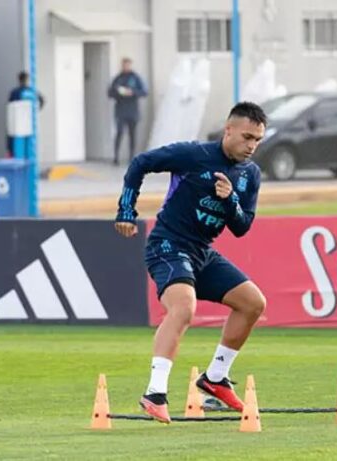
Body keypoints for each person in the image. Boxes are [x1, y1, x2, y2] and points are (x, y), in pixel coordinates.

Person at [114, 102, 268, 423]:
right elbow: (141, 163)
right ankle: (155, 393)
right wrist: (126, 210)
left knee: (253, 303)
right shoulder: (193, 154)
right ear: (228, 130)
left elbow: (241, 228)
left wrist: (231, 200)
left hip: (202, 252)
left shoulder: (250, 175)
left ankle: (215, 378)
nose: (252, 146)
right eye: (247, 137)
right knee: (184, 307)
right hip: (167, 244)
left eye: (258, 139)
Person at [108, 58, 148, 165]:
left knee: (132, 134)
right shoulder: (117, 78)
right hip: (121, 110)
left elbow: (144, 92)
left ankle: (132, 157)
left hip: (133, 110)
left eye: (128, 65)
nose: (126, 67)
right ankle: (116, 157)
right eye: (124, 65)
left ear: (130, 65)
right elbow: (110, 93)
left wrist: (133, 92)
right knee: (119, 132)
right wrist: (119, 92)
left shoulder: (135, 78)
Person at [7, 71, 44, 156]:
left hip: (18, 126)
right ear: (27, 79)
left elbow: (10, 107)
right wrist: (36, 111)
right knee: (30, 150)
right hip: (30, 124)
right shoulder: (32, 91)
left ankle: (20, 166)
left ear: (19, 80)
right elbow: (42, 101)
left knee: (19, 150)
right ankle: (30, 167)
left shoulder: (15, 92)